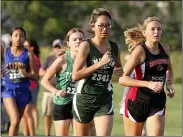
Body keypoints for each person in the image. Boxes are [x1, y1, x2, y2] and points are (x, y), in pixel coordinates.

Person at [118, 16, 175, 136]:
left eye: (159, 29)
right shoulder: (140, 51)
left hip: (157, 102)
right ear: (144, 32)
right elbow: (122, 79)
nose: (156, 32)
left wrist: (169, 84)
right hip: (136, 103)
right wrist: (148, 84)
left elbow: (169, 69)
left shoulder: (165, 48)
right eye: (153, 29)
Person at [72, 8, 123, 136]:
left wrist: (120, 71)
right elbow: (75, 75)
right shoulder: (86, 45)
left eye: (108, 26)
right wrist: (99, 63)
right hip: (84, 98)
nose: (104, 29)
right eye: (101, 26)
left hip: (104, 98)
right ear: (93, 26)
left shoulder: (114, 47)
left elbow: (119, 70)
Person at [1, 27, 37, 136]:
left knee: (16, 124)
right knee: (15, 120)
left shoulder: (28, 54)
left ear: (24, 38)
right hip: (8, 90)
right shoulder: (4, 51)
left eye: (21, 36)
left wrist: (26, 74)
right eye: (15, 35)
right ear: (11, 37)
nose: (18, 38)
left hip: (23, 91)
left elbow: (35, 76)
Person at [39, 39, 63, 136]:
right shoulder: (49, 59)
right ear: (53, 48)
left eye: (60, 47)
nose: (58, 49)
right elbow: (41, 72)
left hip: (62, 91)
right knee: (47, 114)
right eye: (56, 47)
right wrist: (50, 73)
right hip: (49, 91)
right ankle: (47, 134)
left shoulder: (66, 58)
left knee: (62, 116)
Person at [21, 39, 41, 135]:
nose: (24, 48)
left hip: (31, 87)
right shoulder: (24, 57)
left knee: (28, 112)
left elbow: (35, 74)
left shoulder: (34, 58)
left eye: (26, 46)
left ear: (31, 47)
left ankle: (32, 134)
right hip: (23, 87)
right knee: (24, 114)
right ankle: (26, 134)